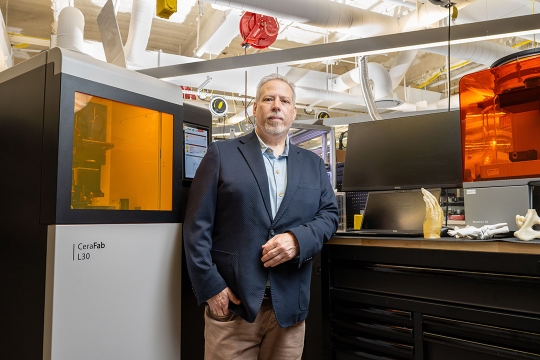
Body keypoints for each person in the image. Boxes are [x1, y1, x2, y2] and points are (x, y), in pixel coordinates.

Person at [183, 73, 339, 360]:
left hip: (289, 310)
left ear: (293, 112)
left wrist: (297, 240)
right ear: (255, 109)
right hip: (233, 307)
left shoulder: (313, 165)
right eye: (268, 99)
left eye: (284, 100)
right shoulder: (222, 154)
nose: (276, 105)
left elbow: (329, 215)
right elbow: (196, 226)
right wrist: (210, 285)